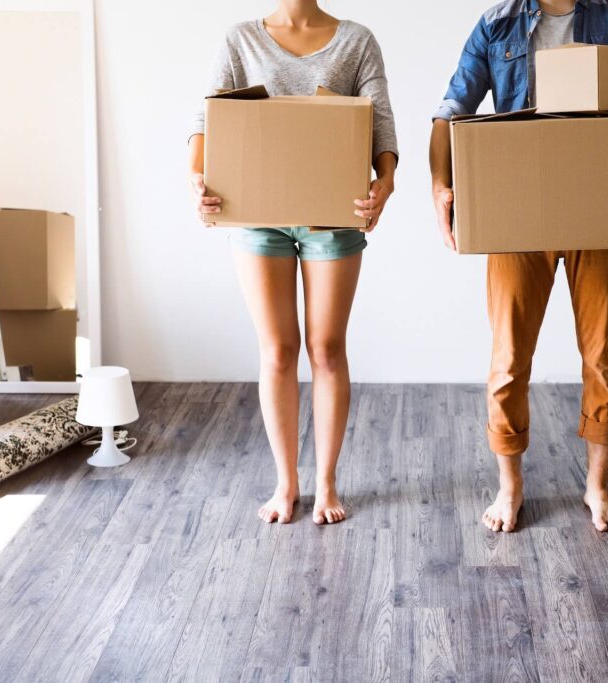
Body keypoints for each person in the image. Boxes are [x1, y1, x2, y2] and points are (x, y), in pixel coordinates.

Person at [429, 0, 608, 533]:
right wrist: (440, 185)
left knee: (602, 355)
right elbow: (450, 109)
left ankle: (598, 487)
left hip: (601, 212)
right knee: (508, 358)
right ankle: (510, 488)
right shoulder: (498, 23)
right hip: (518, 215)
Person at [188, 0, 398, 525]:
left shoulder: (356, 40)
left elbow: (381, 124)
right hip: (260, 216)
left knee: (326, 349)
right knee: (278, 350)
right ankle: (286, 483)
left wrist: (385, 184)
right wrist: (196, 178)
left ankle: (326, 483)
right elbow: (207, 120)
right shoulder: (241, 39)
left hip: (333, 214)